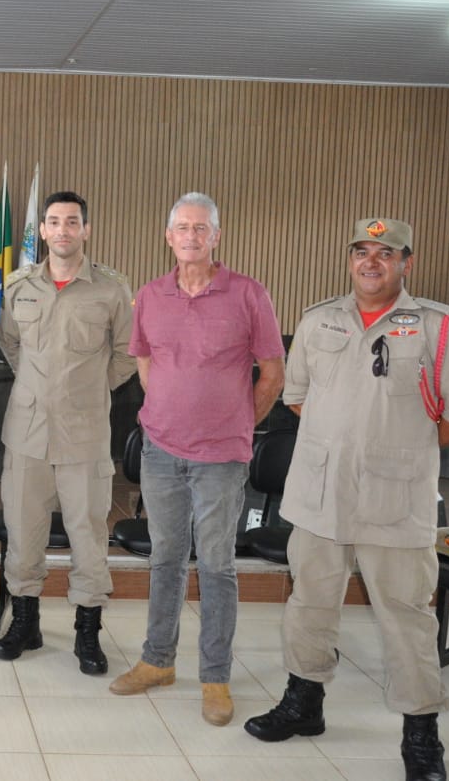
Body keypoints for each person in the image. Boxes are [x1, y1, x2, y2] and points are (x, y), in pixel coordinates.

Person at [244, 219, 449, 781]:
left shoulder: (438, 324)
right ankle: (304, 704)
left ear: (407, 262)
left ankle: (421, 735)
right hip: (321, 493)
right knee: (310, 604)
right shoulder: (317, 319)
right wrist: (343, 441)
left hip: (395, 497)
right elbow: (300, 397)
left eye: (386, 253)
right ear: (350, 259)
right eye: (362, 252)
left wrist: (404, 448)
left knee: (406, 617)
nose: (371, 262)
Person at [109, 192, 285, 726]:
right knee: (164, 560)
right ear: (168, 237)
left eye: (201, 228)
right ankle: (158, 661)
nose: (191, 236)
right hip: (161, 451)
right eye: (182, 227)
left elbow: (272, 374)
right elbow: (146, 365)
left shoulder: (249, 295)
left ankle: (215, 678)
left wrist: (235, 423)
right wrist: (169, 416)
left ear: (216, 235)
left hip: (222, 458)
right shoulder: (152, 296)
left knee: (216, 566)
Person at [0, 191, 136, 672]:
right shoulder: (19, 286)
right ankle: (25, 623)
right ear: (45, 231)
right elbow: (11, 343)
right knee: (24, 532)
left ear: (86, 230)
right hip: (28, 432)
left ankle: (87, 633)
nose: (63, 230)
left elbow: (127, 354)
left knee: (89, 535)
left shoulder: (111, 290)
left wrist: (88, 389)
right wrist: (41, 388)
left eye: (72, 222)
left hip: (85, 433)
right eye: (54, 222)